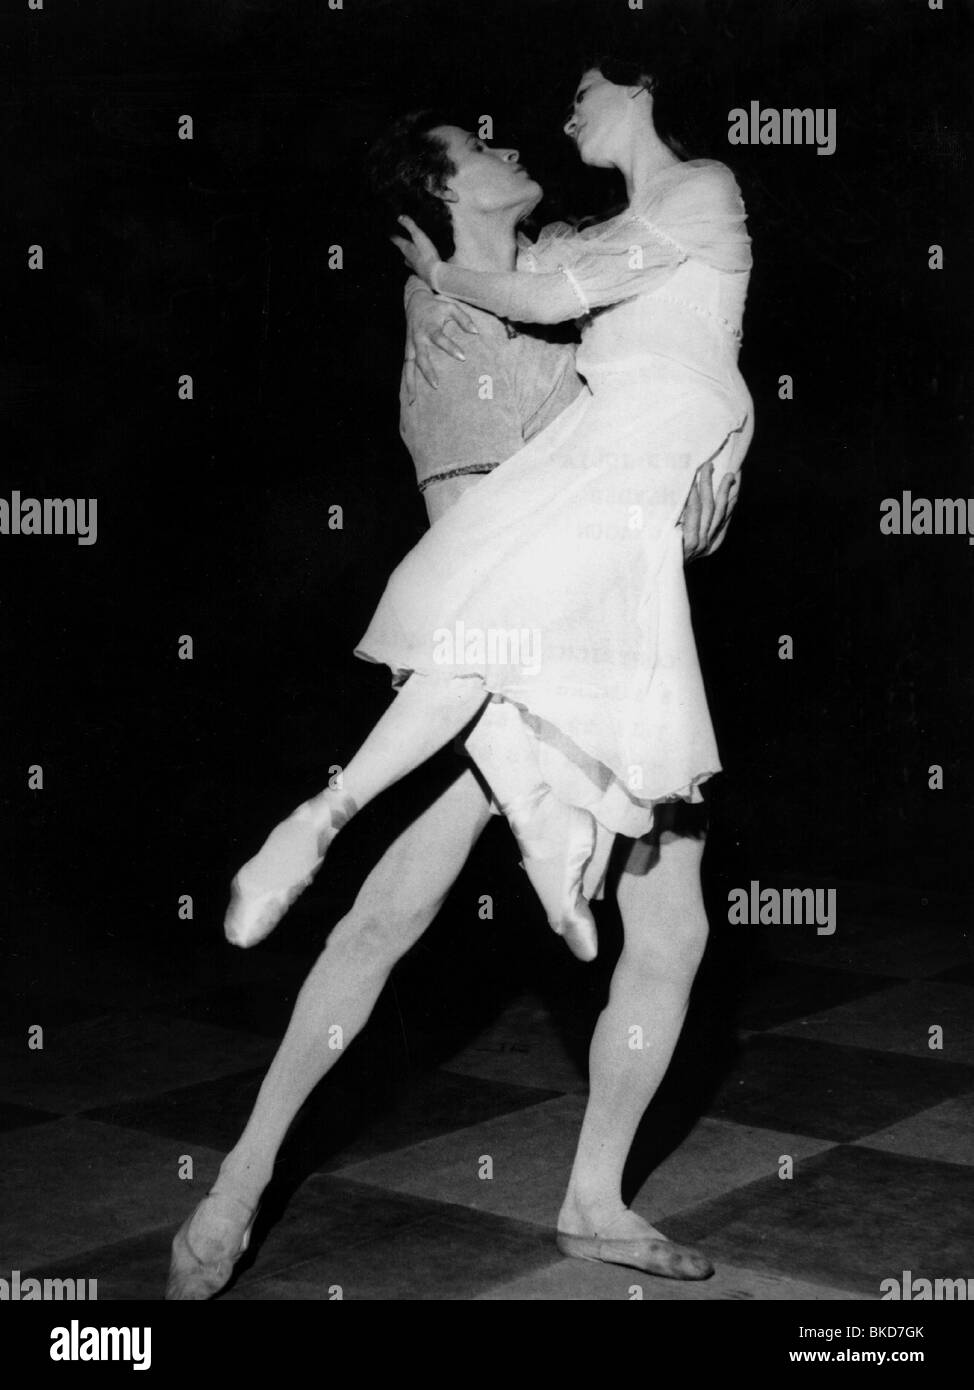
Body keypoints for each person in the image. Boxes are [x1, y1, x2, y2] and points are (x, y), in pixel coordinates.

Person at [165, 87, 744, 1297]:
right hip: (501, 655)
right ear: (438, 193)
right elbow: (466, 528)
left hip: (616, 631)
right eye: (477, 148)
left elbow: (680, 371)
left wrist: (707, 480)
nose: (509, 145)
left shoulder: (575, 263)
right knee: (387, 912)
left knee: (671, 923)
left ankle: (593, 1196)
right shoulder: (446, 315)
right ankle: (236, 1184)